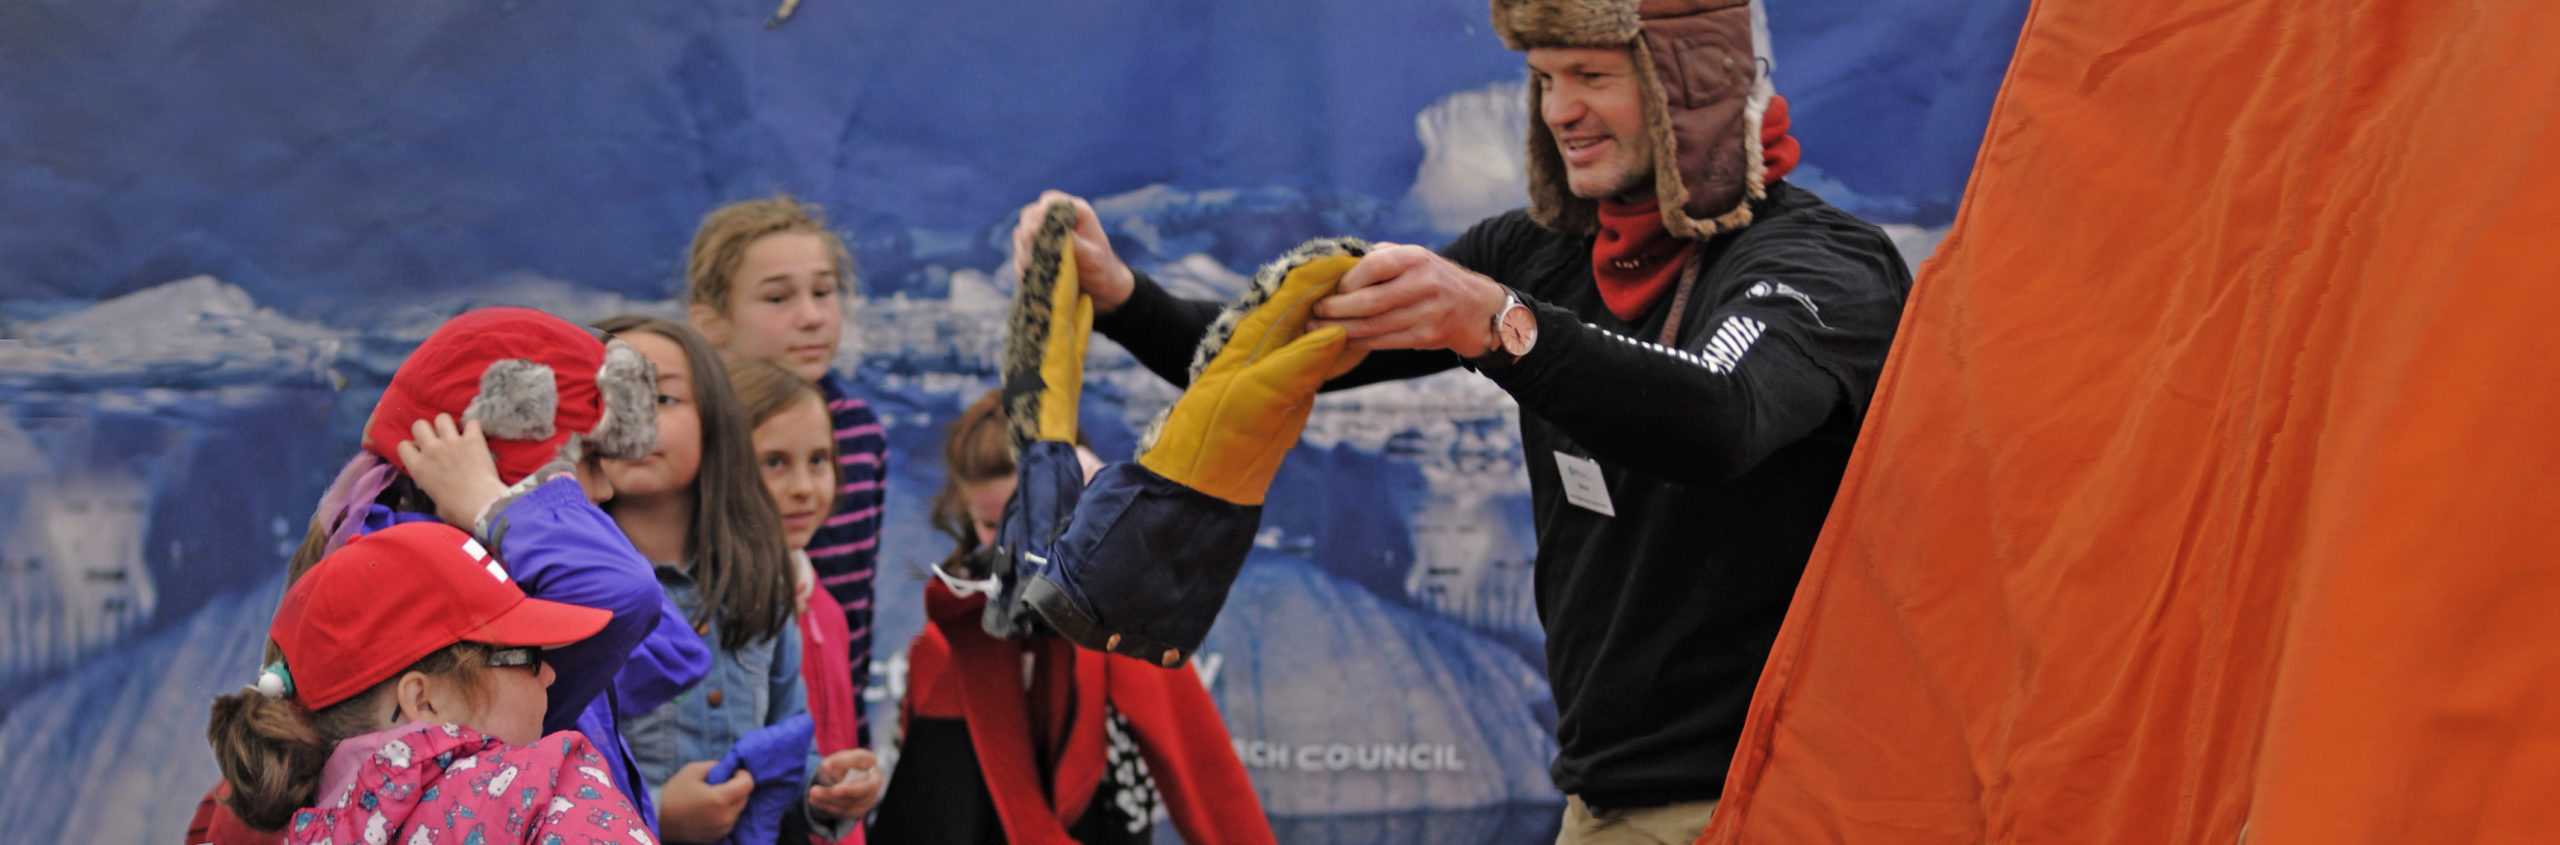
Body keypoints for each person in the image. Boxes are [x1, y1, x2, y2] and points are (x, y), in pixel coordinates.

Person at [1010, 0, 1913, 839]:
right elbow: (1281, 359)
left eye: (1591, 76)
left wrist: (1500, 325)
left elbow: (1719, 415)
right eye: (1545, 78)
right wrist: (1121, 295)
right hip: (1606, 799)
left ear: (1695, 81)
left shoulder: (1822, 261)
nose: (1561, 110)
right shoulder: (1536, 253)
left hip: (1777, 798)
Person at [185, 306, 700, 844]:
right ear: (492, 456)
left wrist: (512, 518)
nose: (601, 490)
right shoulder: (416, 576)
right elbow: (630, 595)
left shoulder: (520, 568)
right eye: (587, 459)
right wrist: (497, 506)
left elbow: (671, 653)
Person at [866, 390, 1272, 845]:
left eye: (1025, 522)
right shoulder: (949, 639)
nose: (1012, 545)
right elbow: (922, 812)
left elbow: (1209, 784)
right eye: (988, 523)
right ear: (962, 508)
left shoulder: (1122, 618)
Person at [591, 315, 874, 844]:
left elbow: (787, 749)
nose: (630, 416)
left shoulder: (760, 580)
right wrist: (657, 814)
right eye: (606, 396)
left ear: (717, 422)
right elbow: (526, 776)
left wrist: (823, 790)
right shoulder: (550, 591)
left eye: (662, 398)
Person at [202, 520, 657, 844]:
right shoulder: (547, 795)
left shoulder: (287, 832)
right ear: (424, 699)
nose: (549, 673)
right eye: (526, 656)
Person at [682, 196, 890, 757]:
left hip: (831, 732)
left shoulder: (861, 433)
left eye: (823, 292)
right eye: (778, 297)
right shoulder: (688, 441)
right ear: (712, 323)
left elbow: (853, 612)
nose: (811, 316)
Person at [728, 352, 885, 844]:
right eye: (774, 463)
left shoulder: (825, 607)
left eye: (818, 461)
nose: (803, 488)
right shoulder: (720, 613)